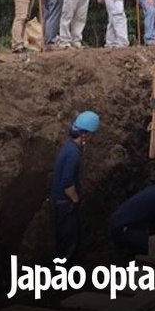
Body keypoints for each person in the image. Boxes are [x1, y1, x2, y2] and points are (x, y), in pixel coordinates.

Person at [50, 110, 99, 263]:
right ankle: (62, 280)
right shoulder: (73, 153)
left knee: (66, 240)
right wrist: (76, 200)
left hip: (61, 202)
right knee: (68, 243)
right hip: (65, 203)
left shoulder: (70, 147)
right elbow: (67, 183)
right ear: (85, 134)